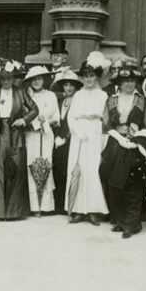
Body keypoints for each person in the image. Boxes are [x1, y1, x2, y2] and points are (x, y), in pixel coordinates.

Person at [99, 66, 146, 237]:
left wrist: (136, 140)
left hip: (134, 145)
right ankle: (120, 220)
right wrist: (119, 137)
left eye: (132, 81)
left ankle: (132, 223)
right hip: (115, 143)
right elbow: (106, 124)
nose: (129, 84)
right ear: (119, 83)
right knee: (115, 183)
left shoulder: (141, 100)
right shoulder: (111, 100)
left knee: (134, 183)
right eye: (125, 81)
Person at [0, 60, 38, 220]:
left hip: (15, 133)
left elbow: (34, 109)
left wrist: (23, 120)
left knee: (15, 169)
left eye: (9, 78)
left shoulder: (20, 92)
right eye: (3, 78)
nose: (6, 81)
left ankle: (14, 212)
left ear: (14, 78)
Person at [65, 54, 111, 225]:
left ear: (97, 76)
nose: (88, 79)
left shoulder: (102, 95)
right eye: (85, 76)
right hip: (79, 134)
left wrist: (102, 140)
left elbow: (105, 120)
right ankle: (77, 209)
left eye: (91, 76)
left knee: (92, 170)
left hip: (95, 132)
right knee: (78, 169)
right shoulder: (77, 95)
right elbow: (71, 117)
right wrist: (77, 131)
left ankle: (93, 210)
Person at [24, 66, 60, 215]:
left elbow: (56, 118)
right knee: (31, 164)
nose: (36, 81)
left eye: (39, 78)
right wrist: (32, 123)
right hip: (31, 134)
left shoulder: (51, 95)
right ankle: (33, 206)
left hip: (45, 134)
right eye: (33, 79)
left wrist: (44, 122)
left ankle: (45, 205)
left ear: (44, 79)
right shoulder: (26, 95)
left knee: (45, 164)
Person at [51, 68, 81, 214]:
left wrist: (65, 137)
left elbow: (76, 122)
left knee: (69, 171)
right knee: (58, 171)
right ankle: (58, 204)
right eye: (66, 85)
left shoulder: (78, 101)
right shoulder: (60, 100)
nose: (68, 88)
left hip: (72, 140)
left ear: (76, 87)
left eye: (71, 85)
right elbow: (56, 120)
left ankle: (69, 204)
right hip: (57, 141)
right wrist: (57, 136)